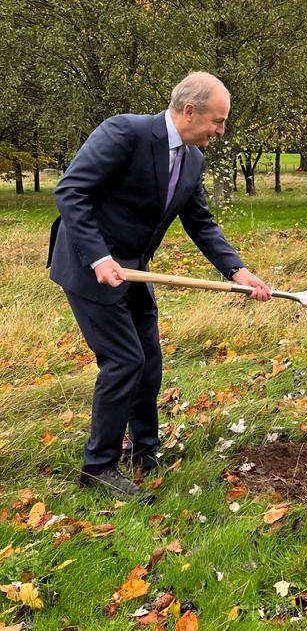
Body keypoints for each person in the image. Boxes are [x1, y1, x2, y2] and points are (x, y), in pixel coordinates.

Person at [47, 72, 271, 500]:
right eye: (218, 121)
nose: (221, 131)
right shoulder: (124, 132)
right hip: (88, 263)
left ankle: (145, 451)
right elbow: (71, 190)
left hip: (135, 269)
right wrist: (99, 257)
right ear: (190, 111)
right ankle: (98, 467)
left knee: (149, 359)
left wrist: (237, 271)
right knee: (124, 360)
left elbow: (201, 223)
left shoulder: (192, 159)